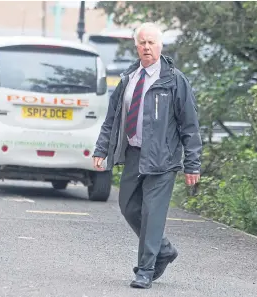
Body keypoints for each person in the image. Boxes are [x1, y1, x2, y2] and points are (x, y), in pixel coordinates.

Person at [92, 22, 202, 289]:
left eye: (151, 42)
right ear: (136, 46)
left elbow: (190, 125)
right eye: (142, 42)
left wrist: (192, 164)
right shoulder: (128, 78)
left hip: (163, 159)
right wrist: (101, 149)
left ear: (160, 46)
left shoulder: (175, 80)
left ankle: (145, 270)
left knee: (153, 213)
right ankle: (163, 249)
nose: (146, 47)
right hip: (133, 154)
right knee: (128, 206)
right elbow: (112, 118)